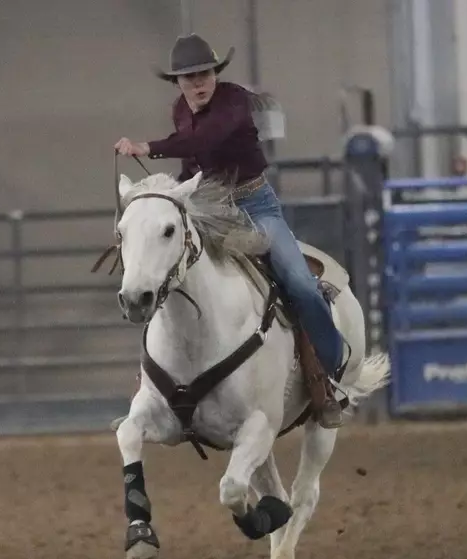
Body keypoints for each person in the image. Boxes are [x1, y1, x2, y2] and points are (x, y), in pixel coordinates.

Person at [113, 33, 344, 428]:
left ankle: (328, 378)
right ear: (178, 83)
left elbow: (205, 139)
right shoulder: (180, 110)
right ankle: (149, 389)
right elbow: (192, 157)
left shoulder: (234, 101)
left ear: (215, 74)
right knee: (165, 275)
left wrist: (146, 148)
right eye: (188, 78)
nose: (197, 83)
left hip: (255, 206)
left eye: (203, 74)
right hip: (207, 204)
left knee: (300, 284)